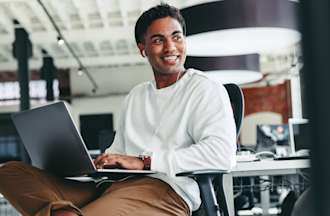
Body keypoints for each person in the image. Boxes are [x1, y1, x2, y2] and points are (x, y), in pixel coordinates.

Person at [0, 3, 236, 216]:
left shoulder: (205, 88)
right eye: (157, 40)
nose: (170, 47)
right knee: (10, 173)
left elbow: (222, 154)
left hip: (165, 190)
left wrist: (144, 162)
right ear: (142, 48)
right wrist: (102, 162)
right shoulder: (136, 96)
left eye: (177, 37)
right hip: (110, 186)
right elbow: (120, 150)